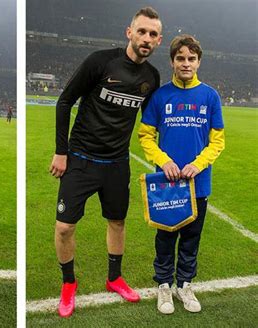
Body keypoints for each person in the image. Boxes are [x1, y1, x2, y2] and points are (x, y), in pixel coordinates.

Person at [49, 7, 163, 318]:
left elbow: (150, 124)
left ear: (159, 40)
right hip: (81, 160)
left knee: (117, 222)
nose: (146, 38)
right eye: (142, 31)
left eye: (153, 34)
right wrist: (62, 151)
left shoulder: (152, 77)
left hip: (117, 164)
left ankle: (114, 278)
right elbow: (64, 101)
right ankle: (69, 284)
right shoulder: (101, 62)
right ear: (129, 32)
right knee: (64, 227)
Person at [138, 35, 225, 314]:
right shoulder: (160, 95)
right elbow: (146, 136)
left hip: (198, 184)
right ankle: (164, 286)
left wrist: (198, 164)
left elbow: (218, 141)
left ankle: (184, 284)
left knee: (191, 238)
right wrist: (163, 161)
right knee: (165, 237)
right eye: (180, 58)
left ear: (199, 61)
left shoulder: (210, 96)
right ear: (172, 61)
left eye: (191, 58)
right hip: (166, 184)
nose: (186, 63)